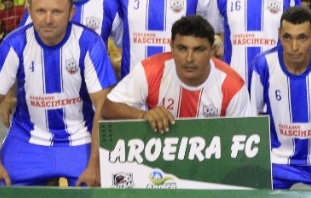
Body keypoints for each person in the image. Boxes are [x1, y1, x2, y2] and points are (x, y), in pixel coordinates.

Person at [0, 0, 116, 186]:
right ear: (29, 11)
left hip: (80, 139)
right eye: (41, 11)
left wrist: (95, 165)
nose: (48, 20)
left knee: (96, 193)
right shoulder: (14, 44)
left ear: (71, 13)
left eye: (57, 12)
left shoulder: (89, 44)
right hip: (28, 139)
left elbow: (103, 107)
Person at [246, 6, 311, 190]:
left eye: (302, 38)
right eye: (287, 37)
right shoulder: (263, 65)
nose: (294, 47)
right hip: (276, 162)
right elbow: (249, 119)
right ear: (279, 34)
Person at [102, 15, 251, 131]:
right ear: (171, 47)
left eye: (198, 50)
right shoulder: (150, 71)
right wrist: (143, 115)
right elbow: (108, 108)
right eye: (182, 48)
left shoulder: (232, 85)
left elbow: (246, 133)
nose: (189, 58)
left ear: (212, 50)